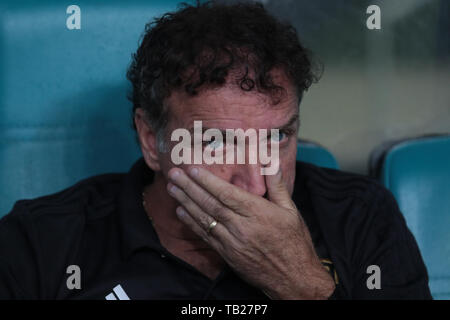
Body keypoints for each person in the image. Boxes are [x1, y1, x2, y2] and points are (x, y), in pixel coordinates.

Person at [0, 1, 431, 299]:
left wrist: (304, 287)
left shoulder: (360, 217)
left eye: (276, 137)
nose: (255, 180)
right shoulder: (41, 243)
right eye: (215, 142)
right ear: (153, 140)